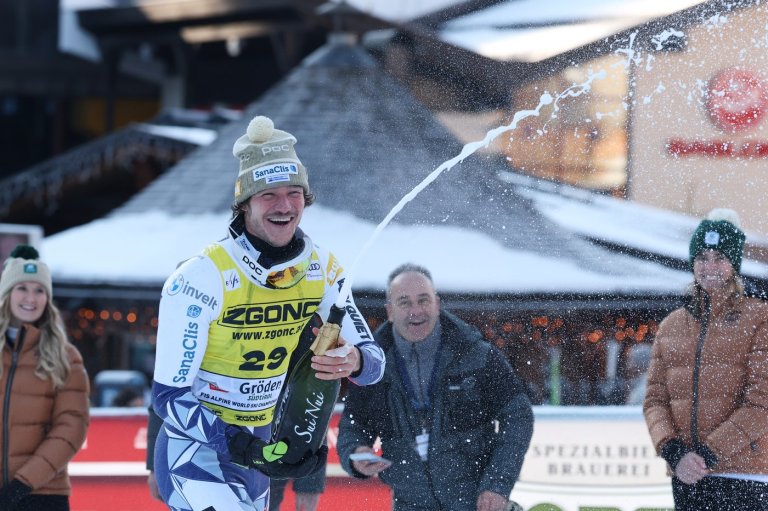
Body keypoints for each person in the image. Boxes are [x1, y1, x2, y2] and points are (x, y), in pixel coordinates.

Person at [151, 115, 385, 511]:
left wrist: (355, 360)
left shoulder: (322, 268)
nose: (284, 206)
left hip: (259, 449)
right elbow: (168, 396)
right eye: (268, 195)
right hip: (193, 451)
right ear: (244, 204)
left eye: (294, 193)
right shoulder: (202, 276)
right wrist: (237, 443)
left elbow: (375, 363)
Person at [337, 263, 534, 511]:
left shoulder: (477, 354)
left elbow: (518, 415)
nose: (416, 311)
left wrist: (496, 485)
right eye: (404, 302)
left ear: (437, 304)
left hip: (476, 504)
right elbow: (354, 423)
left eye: (423, 300)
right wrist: (355, 453)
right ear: (390, 311)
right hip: (410, 504)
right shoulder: (371, 367)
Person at [644, 208, 768, 510]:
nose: (709, 266)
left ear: (734, 264)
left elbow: (762, 402)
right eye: (701, 257)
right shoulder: (672, 325)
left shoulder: (759, 318)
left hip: (744, 476)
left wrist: (707, 455)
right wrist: (674, 453)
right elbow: (655, 401)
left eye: (719, 258)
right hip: (687, 476)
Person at [0, 245, 90, 511]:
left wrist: (21, 485)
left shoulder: (66, 356)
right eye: (22, 288)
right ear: (7, 293)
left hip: (42, 494)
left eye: (39, 290)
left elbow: (71, 428)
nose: (31, 297)